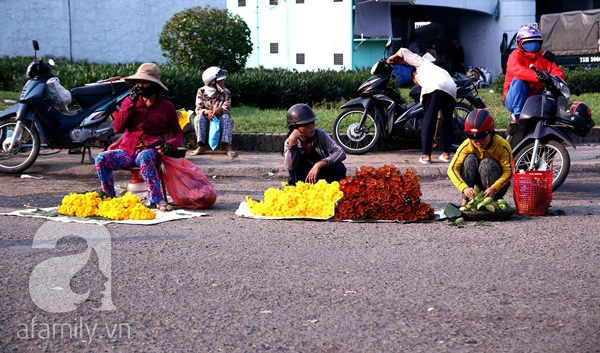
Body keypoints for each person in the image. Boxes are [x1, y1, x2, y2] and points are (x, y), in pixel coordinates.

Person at [95, 63, 183, 212]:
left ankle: (157, 199)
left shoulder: (167, 107)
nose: (140, 85)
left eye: (145, 82)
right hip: (127, 151)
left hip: (150, 149)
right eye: (138, 82)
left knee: (145, 157)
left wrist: (171, 144)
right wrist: (130, 105)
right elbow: (118, 127)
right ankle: (108, 196)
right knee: (101, 159)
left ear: (155, 85)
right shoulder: (130, 102)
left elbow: (178, 133)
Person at [386, 47, 456, 164]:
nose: (418, 85)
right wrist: (434, 136)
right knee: (447, 122)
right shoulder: (438, 70)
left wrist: (391, 58)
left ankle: (426, 156)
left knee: (428, 120)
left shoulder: (421, 63)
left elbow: (403, 51)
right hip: (451, 88)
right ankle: (446, 155)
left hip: (435, 87)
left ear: (415, 75)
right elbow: (439, 117)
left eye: (415, 82)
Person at [503, 26, 565, 129]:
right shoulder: (515, 55)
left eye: (536, 41)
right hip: (514, 99)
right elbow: (518, 71)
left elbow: (556, 71)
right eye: (528, 42)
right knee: (520, 80)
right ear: (520, 43)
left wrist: (554, 79)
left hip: (535, 97)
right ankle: (518, 115)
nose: (533, 45)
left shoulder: (543, 56)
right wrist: (539, 76)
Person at [448, 109, 513, 206]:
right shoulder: (467, 145)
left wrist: (494, 188)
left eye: (482, 138)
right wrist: (464, 188)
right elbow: (452, 169)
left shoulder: (503, 145)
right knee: (469, 159)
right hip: (473, 187)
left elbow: (509, 171)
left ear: (491, 132)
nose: (478, 142)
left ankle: (492, 200)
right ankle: (466, 199)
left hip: (495, 187)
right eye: (474, 139)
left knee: (486, 164)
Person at [283, 103, 346, 185]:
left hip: (321, 174)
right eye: (306, 124)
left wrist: (319, 164)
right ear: (295, 128)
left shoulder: (320, 134)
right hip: (303, 178)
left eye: (312, 122)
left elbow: (340, 152)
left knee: (339, 167)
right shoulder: (290, 141)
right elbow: (290, 166)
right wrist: (292, 143)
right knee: (294, 171)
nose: (311, 127)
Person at [190, 66, 236, 157]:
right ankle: (201, 146)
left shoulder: (225, 92)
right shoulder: (201, 91)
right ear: (212, 82)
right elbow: (198, 109)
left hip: (219, 118)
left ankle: (227, 146)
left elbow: (226, 108)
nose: (223, 82)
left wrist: (220, 110)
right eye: (220, 81)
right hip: (207, 118)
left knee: (226, 118)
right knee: (198, 118)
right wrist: (206, 112)